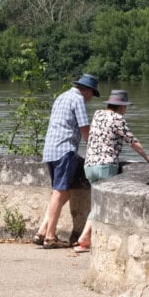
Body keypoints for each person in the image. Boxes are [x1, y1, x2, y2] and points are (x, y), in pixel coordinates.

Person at [73, 89, 149, 253]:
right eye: (125, 107)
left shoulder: (98, 114)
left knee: (97, 202)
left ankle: (85, 237)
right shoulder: (118, 119)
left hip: (89, 164)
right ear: (121, 107)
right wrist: (148, 159)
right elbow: (132, 141)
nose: (125, 110)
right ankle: (84, 237)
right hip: (106, 165)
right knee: (100, 203)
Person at [33, 73, 99, 249]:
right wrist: (94, 149)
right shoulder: (78, 100)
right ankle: (50, 236)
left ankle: (42, 231)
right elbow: (85, 129)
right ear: (87, 90)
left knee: (63, 192)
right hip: (65, 149)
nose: (92, 98)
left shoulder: (61, 97)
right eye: (93, 93)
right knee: (60, 192)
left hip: (50, 149)